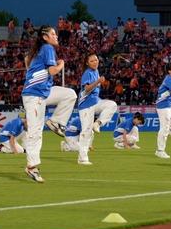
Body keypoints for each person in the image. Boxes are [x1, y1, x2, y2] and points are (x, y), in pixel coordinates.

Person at [22, 26, 76, 183]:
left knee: (70, 94)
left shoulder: (41, 49)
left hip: (42, 92)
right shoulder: (47, 48)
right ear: (45, 37)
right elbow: (52, 71)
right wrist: (61, 65)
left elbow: (27, 60)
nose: (56, 36)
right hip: (34, 95)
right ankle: (32, 167)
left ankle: (56, 121)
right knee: (35, 131)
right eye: (53, 34)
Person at [77, 53, 118, 165]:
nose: (95, 62)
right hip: (85, 105)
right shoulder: (87, 73)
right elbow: (86, 89)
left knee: (112, 105)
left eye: (96, 60)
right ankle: (82, 158)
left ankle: (98, 123)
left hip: (95, 102)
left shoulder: (96, 71)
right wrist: (98, 82)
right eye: (92, 61)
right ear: (87, 63)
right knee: (86, 131)